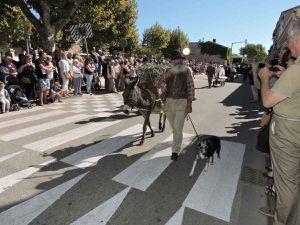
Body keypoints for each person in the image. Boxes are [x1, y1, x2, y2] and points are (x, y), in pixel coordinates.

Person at [258, 19, 300, 225]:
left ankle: (283, 221)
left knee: (287, 183)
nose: (289, 45)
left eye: (290, 40)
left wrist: (265, 78)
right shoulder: (294, 70)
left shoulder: (297, 70)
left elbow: (267, 100)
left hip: (289, 131)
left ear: (298, 40)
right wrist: (285, 75)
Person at [156, 50, 195, 161]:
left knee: (178, 128)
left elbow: (191, 88)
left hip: (182, 102)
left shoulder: (187, 71)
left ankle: (175, 151)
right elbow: (156, 83)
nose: (178, 61)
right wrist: (164, 76)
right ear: (172, 61)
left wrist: (189, 104)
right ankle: (177, 141)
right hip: (169, 102)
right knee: (174, 128)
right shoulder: (167, 71)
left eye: (179, 59)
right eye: (175, 59)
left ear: (182, 60)